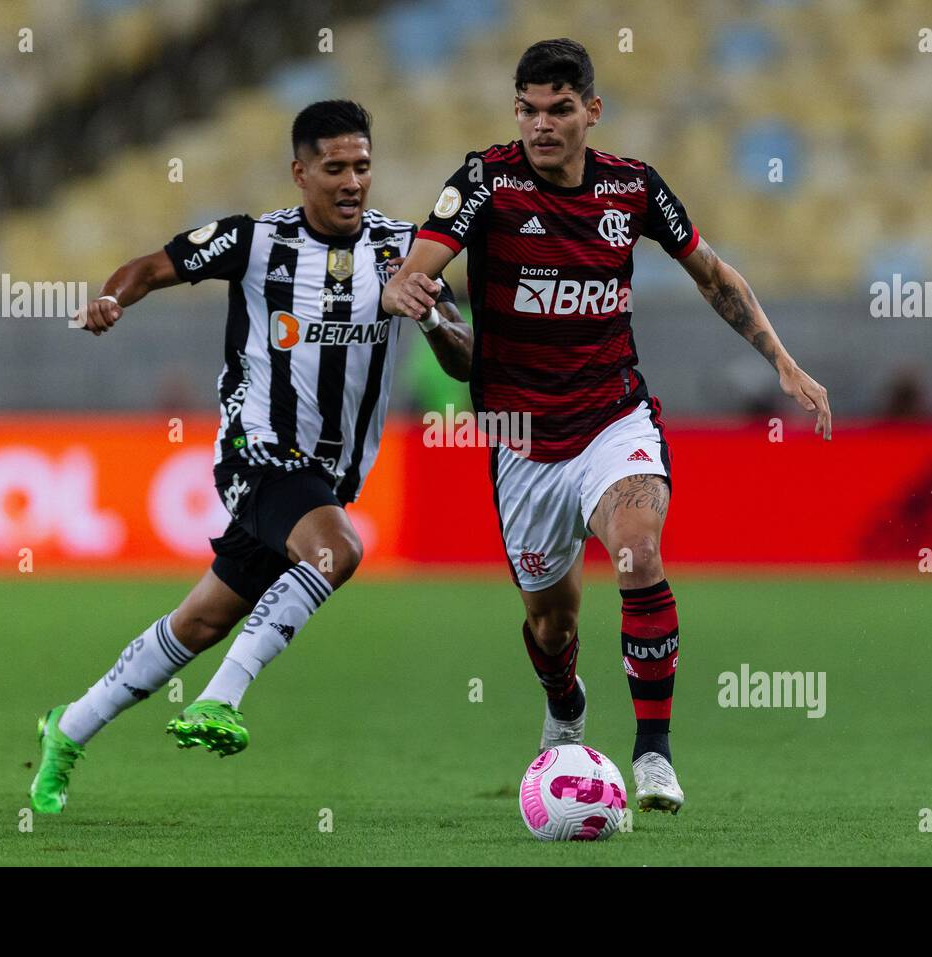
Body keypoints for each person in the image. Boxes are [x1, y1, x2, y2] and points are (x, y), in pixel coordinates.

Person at [382, 39, 832, 814]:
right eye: (528, 109)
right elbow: (421, 264)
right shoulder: (486, 181)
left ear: (593, 110)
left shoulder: (634, 189)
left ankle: (653, 754)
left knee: (638, 548)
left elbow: (716, 277)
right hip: (521, 439)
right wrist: (407, 292)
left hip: (611, 416)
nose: (541, 125)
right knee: (552, 626)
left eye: (560, 109)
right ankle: (565, 706)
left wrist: (783, 362)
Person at [30, 100, 468, 813]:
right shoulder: (252, 242)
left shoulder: (405, 249)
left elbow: (461, 361)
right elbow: (147, 268)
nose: (352, 180)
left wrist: (428, 315)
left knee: (201, 622)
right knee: (338, 550)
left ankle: (67, 728)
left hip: (327, 476)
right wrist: (111, 302)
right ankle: (218, 700)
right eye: (334, 168)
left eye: (362, 165)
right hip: (256, 451)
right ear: (300, 173)